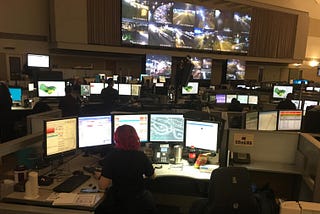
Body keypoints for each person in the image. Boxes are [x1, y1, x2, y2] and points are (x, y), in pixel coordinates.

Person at [95, 125, 157, 214]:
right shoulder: (141, 156)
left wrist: (100, 176)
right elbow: (152, 176)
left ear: (116, 139)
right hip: (140, 202)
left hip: (119, 203)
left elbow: (103, 186)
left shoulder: (112, 157)